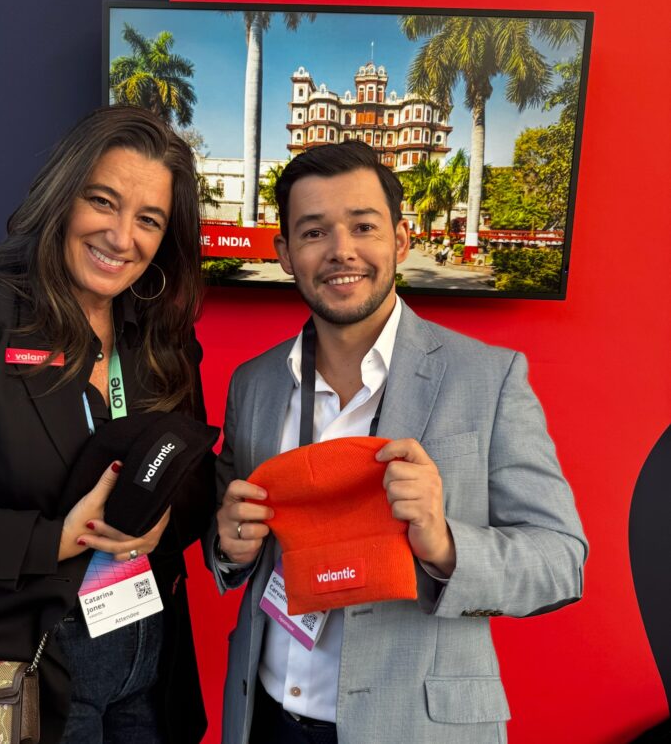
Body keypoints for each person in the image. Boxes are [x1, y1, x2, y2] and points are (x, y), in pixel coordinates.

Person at [206, 140, 587, 744]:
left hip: (415, 726)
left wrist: (444, 543)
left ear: (401, 240)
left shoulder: (488, 377)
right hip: (266, 718)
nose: (341, 250)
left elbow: (561, 562)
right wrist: (229, 547)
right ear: (284, 254)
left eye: (363, 226)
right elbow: (227, 534)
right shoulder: (253, 383)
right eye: (313, 232)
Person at [0, 106, 211, 744]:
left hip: (149, 666)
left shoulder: (163, 341)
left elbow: (192, 487)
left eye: (149, 220)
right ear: (63, 196)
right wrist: (54, 540)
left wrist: (162, 521)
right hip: (22, 672)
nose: (121, 237)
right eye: (103, 201)